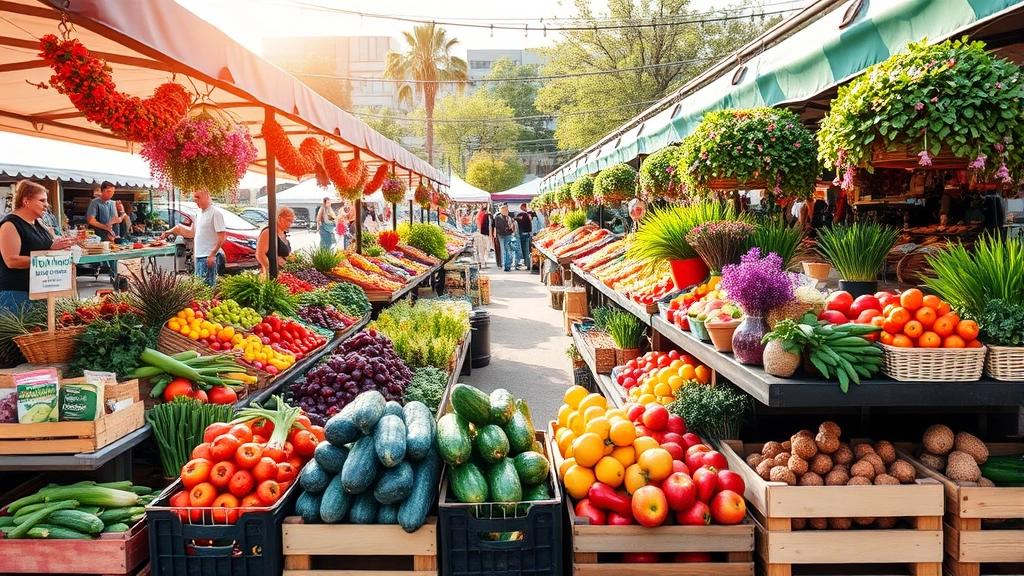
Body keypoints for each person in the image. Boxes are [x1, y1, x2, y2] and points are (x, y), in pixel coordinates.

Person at [0, 181, 75, 313]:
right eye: (42, 200)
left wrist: (60, 250)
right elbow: (11, 261)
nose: (47, 205)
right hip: (16, 295)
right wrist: (50, 256)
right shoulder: (10, 225)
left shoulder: (39, 224)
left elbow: (46, 250)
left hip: (40, 291)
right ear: (26, 201)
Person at [156, 189, 225, 286]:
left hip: (207, 256)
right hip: (199, 256)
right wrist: (169, 232)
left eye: (198, 197)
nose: (195, 200)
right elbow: (192, 233)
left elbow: (222, 237)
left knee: (207, 288)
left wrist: (212, 254)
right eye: (194, 197)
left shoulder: (215, 213)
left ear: (206, 195)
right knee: (200, 288)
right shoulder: (199, 213)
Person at [86, 181, 129, 283]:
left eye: (113, 191)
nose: (111, 193)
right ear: (103, 191)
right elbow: (91, 220)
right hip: (100, 236)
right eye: (109, 191)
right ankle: (99, 269)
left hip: (113, 235)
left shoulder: (112, 203)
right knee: (102, 256)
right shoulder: (95, 203)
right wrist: (105, 227)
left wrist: (120, 216)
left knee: (114, 256)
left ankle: (114, 275)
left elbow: (115, 219)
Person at [256, 207, 294, 276]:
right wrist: (272, 271)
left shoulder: (283, 233)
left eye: (291, 221)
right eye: (288, 220)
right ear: (279, 218)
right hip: (269, 275)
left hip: (283, 273)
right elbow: (260, 255)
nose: (290, 224)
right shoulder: (268, 232)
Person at [493, 204, 517, 272]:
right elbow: (497, 226)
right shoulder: (500, 217)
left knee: (506, 250)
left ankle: (506, 265)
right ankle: (506, 265)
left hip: (506, 235)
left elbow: (512, 226)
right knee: (505, 250)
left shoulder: (507, 217)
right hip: (503, 235)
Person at [514, 202, 533, 270]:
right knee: (526, 251)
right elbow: (530, 225)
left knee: (518, 250)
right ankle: (528, 265)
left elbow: (515, 222)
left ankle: (516, 264)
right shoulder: (528, 215)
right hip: (526, 234)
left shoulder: (518, 215)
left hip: (520, 234)